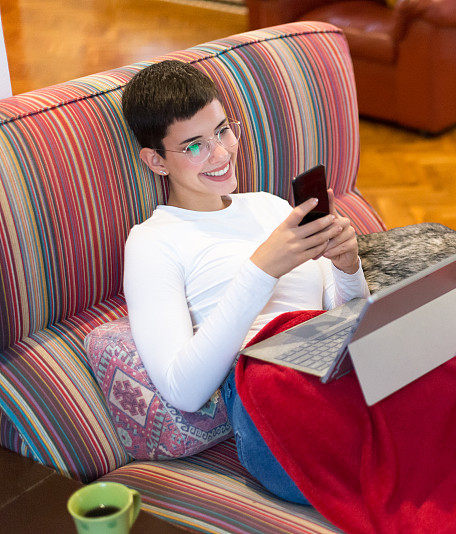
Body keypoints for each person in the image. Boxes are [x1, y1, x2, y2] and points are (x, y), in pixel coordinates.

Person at [121, 60, 370, 505]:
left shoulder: (271, 207)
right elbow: (183, 389)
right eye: (194, 146)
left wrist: (349, 267)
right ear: (156, 161)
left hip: (338, 364)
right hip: (272, 397)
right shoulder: (152, 242)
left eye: (222, 131)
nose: (220, 153)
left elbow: (347, 323)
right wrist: (261, 271)